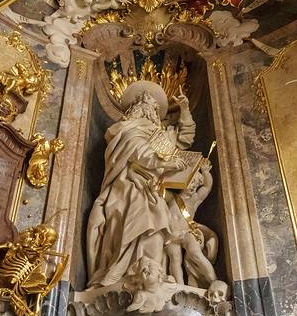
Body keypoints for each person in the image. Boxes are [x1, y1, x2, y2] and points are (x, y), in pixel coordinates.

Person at [86, 81, 195, 287]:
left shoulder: (159, 135)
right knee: (145, 215)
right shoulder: (128, 129)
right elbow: (138, 152)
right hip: (128, 186)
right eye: (145, 104)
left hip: (154, 188)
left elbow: (185, 140)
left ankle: (154, 272)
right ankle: (126, 272)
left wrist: (185, 109)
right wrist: (165, 163)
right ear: (136, 108)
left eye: (153, 107)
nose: (150, 109)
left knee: (158, 221)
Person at [165, 159, 218, 287]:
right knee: (175, 260)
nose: (194, 186)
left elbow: (207, 187)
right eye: (191, 182)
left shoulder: (194, 200)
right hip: (171, 234)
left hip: (186, 233)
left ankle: (214, 281)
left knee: (196, 254)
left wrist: (205, 172)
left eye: (196, 184)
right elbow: (157, 189)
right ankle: (180, 288)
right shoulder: (171, 197)